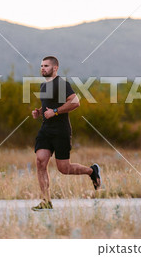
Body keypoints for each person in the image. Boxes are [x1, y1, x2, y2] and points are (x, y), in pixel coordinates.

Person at [31, 56, 101, 211]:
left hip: (61, 130)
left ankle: (91, 171)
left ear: (55, 68)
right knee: (40, 161)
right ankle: (46, 201)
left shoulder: (62, 84)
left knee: (64, 168)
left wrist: (55, 112)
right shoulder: (43, 85)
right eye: (41, 65)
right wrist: (39, 112)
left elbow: (75, 102)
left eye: (46, 66)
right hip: (45, 130)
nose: (43, 68)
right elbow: (48, 106)